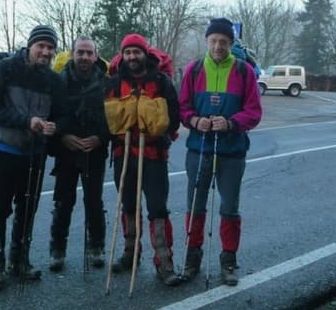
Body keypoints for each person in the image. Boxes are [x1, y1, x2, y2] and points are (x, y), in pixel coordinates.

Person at [0, 24, 67, 291]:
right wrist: (26, 122)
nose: (46, 52)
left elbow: (63, 115)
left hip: (35, 155)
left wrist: (55, 127)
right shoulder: (3, 69)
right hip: (3, 151)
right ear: (30, 46)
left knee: (27, 209)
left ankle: (20, 260)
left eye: (50, 48)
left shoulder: (54, 80)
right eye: (41, 46)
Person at [178, 18, 263, 286]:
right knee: (195, 205)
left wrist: (230, 123)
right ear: (207, 41)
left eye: (223, 42)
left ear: (231, 43)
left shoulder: (243, 71)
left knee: (229, 207)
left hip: (232, 151)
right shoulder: (193, 70)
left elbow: (254, 112)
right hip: (199, 148)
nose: (218, 46)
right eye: (214, 41)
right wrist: (194, 121)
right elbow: (182, 108)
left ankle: (228, 261)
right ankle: (192, 259)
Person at [104, 33, 181, 286]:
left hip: (154, 156)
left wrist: (164, 134)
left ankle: (163, 260)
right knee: (128, 205)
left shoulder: (161, 81)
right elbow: (105, 117)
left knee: (158, 208)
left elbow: (174, 114)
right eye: (128, 53)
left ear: (144, 54)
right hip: (123, 154)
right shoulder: (115, 83)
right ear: (122, 55)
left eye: (136, 52)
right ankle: (130, 253)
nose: (132, 57)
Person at [48, 37, 110, 272]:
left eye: (89, 53)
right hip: (66, 151)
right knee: (63, 202)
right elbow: (51, 114)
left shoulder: (107, 83)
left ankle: (96, 247)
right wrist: (62, 137)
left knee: (94, 201)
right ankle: (57, 250)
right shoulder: (59, 82)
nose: (84, 57)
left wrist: (100, 139)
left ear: (96, 55)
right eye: (80, 52)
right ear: (73, 54)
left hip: (95, 151)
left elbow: (112, 119)